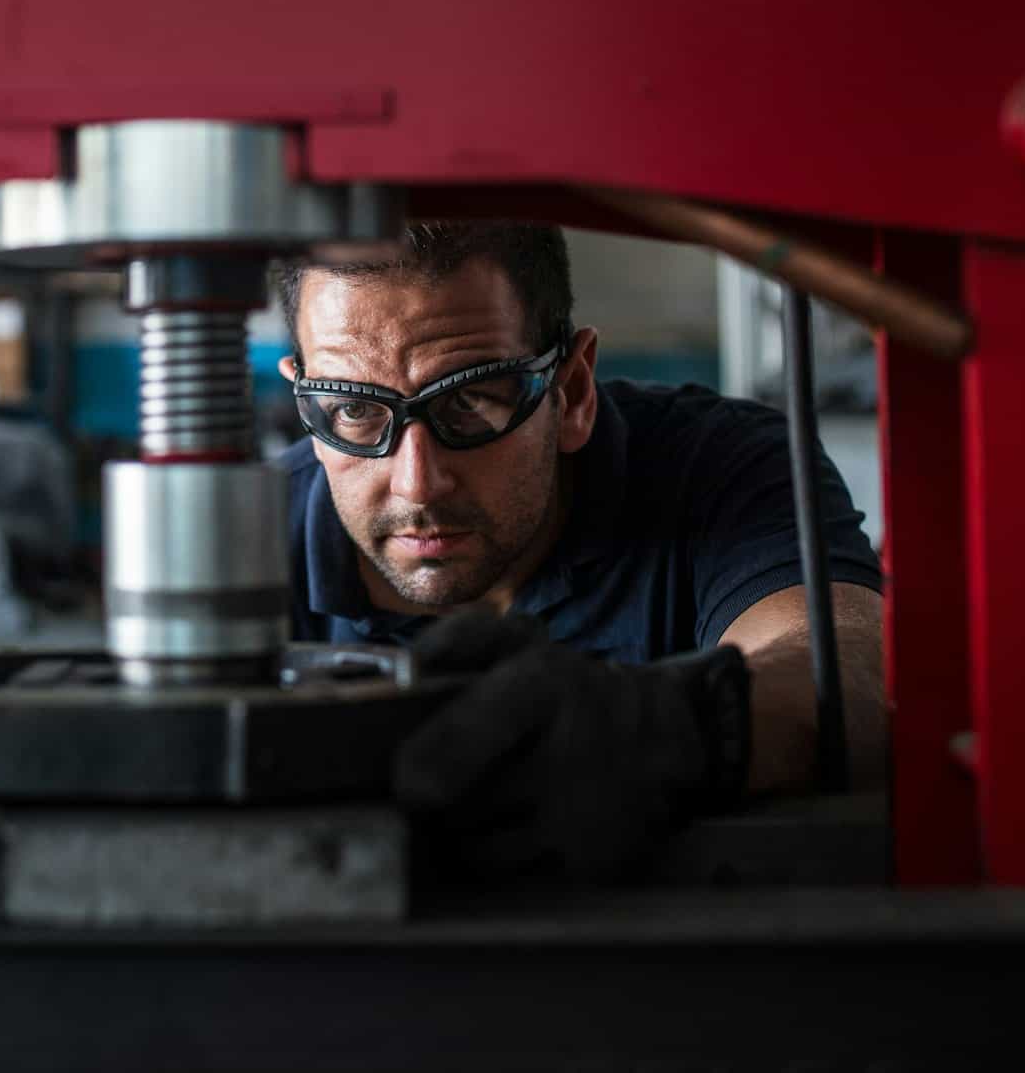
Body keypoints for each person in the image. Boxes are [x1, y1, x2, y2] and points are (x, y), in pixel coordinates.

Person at [278, 221, 884, 880]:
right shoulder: (242, 544)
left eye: (470, 400)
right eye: (352, 411)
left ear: (571, 389)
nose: (417, 481)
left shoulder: (722, 470)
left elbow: (855, 676)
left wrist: (666, 729)